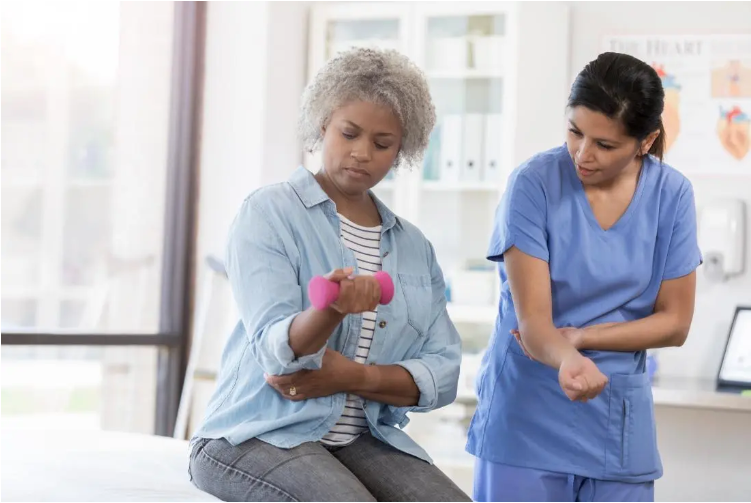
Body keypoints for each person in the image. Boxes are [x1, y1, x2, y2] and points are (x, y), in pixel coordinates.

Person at [189, 47, 470, 502]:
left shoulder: (414, 247)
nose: (362, 153)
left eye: (382, 144)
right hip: (255, 432)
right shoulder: (269, 212)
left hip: (360, 439)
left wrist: (354, 377)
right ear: (323, 124)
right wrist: (331, 310)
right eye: (349, 133)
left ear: (402, 150)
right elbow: (279, 360)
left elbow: (443, 374)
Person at [466, 52, 703, 502]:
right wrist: (568, 358)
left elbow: (675, 323)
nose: (582, 154)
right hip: (527, 419)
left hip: (617, 422)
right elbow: (534, 324)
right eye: (575, 131)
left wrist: (583, 337)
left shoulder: (671, 195)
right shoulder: (533, 184)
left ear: (646, 141)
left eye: (605, 145)